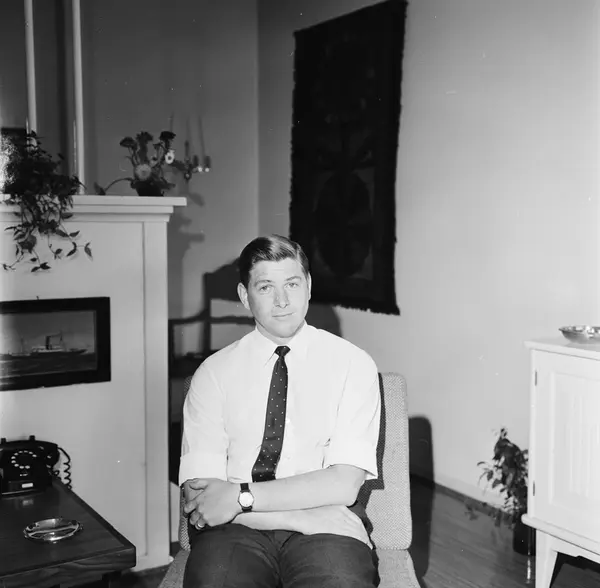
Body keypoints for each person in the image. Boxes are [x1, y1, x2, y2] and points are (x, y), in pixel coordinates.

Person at [180, 234, 381, 588]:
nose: (282, 301)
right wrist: (299, 517)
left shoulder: (353, 364)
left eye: (292, 284)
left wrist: (236, 498)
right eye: (265, 287)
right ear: (245, 296)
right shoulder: (212, 374)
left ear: (308, 287)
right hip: (240, 529)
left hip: (325, 529)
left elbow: (344, 485)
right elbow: (202, 500)